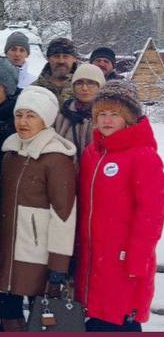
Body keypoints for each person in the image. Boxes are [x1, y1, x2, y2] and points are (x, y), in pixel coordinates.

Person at [75, 81, 164, 332]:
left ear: (128, 118)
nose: (107, 120)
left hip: (124, 262)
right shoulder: (93, 153)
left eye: (115, 114)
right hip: (93, 260)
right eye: (102, 113)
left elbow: (151, 214)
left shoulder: (143, 156)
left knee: (120, 319)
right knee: (95, 319)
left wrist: (137, 260)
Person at [0, 85, 77, 332]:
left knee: (41, 317)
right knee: (7, 310)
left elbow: (64, 215)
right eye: (19, 115)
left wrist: (59, 266)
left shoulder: (56, 159)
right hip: (9, 252)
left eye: (31, 115)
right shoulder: (10, 154)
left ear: (46, 119)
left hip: (38, 254)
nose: (23, 122)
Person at [54, 63, 105, 162]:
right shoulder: (62, 115)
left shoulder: (108, 117)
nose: (84, 88)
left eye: (91, 83)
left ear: (100, 86)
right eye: (79, 83)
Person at [34, 37, 78, 103]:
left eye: (65, 56)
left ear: (74, 59)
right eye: (56, 56)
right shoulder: (35, 89)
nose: (61, 61)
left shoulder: (85, 87)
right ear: (48, 59)